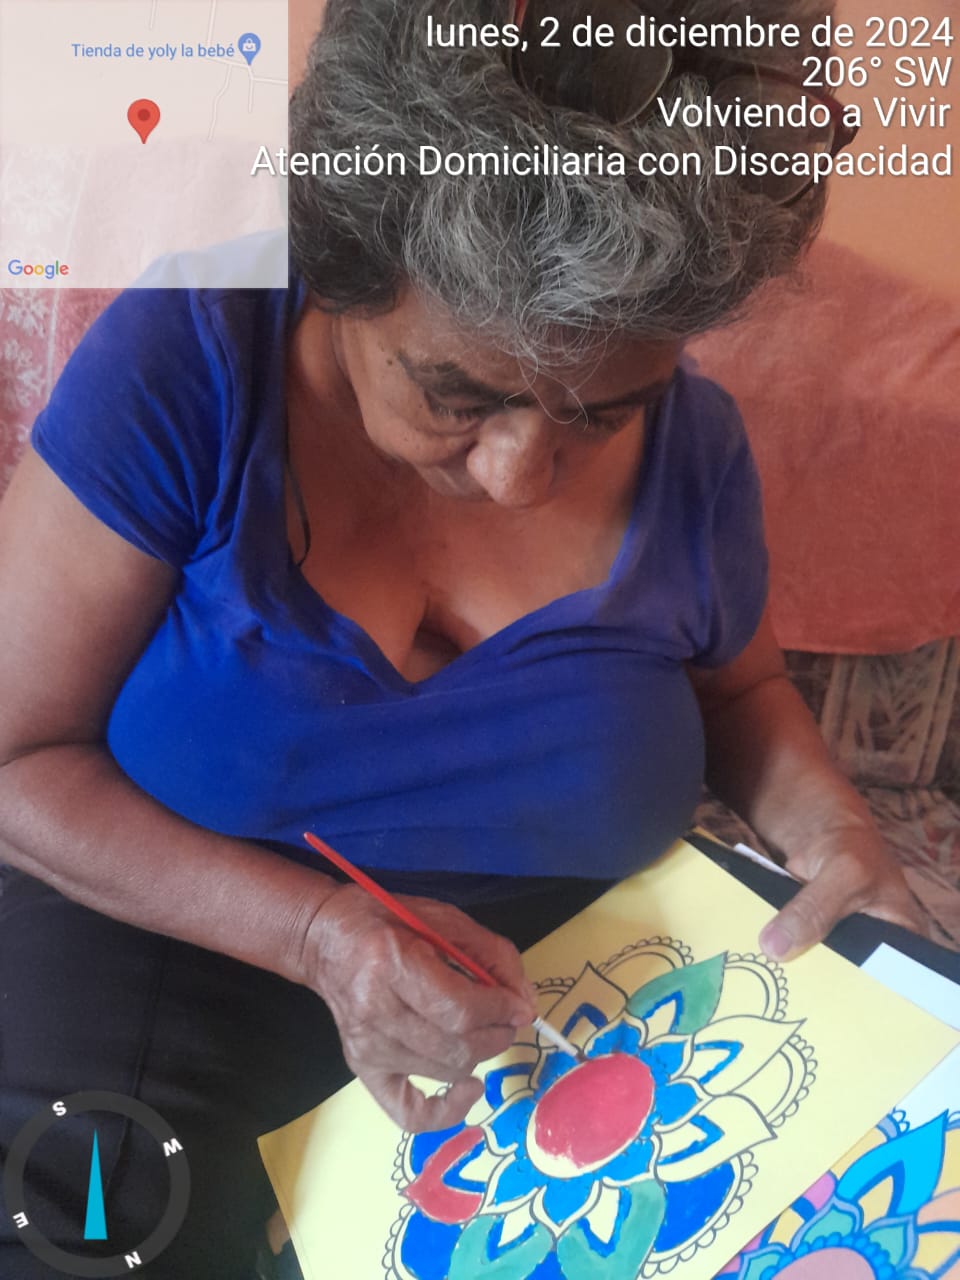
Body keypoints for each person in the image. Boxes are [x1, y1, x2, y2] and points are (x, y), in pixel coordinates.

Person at [0, 0, 925, 1275]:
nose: (519, 475)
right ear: (338, 262)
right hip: (171, 946)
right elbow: (15, 758)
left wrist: (831, 830)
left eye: (603, 412)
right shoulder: (194, 357)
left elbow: (741, 690)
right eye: (457, 394)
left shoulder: (698, 448)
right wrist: (318, 935)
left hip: (566, 1006)